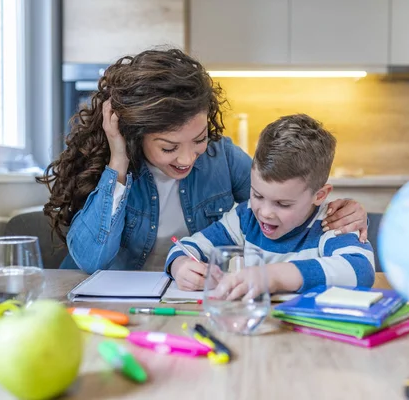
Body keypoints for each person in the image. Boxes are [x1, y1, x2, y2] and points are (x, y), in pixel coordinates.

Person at [38, 48, 369, 274]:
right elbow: (90, 260)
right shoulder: (116, 166)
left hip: (189, 302)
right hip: (115, 308)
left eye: (198, 139)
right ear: (135, 135)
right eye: (168, 148)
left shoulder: (220, 157)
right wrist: (119, 159)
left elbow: (279, 196)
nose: (186, 159)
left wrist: (339, 212)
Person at [166, 114, 375, 297]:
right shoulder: (245, 219)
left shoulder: (332, 222)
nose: (265, 213)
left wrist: (274, 276)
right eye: (257, 195)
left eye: (283, 204)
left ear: (319, 195)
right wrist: (181, 266)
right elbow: (187, 247)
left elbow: (361, 270)